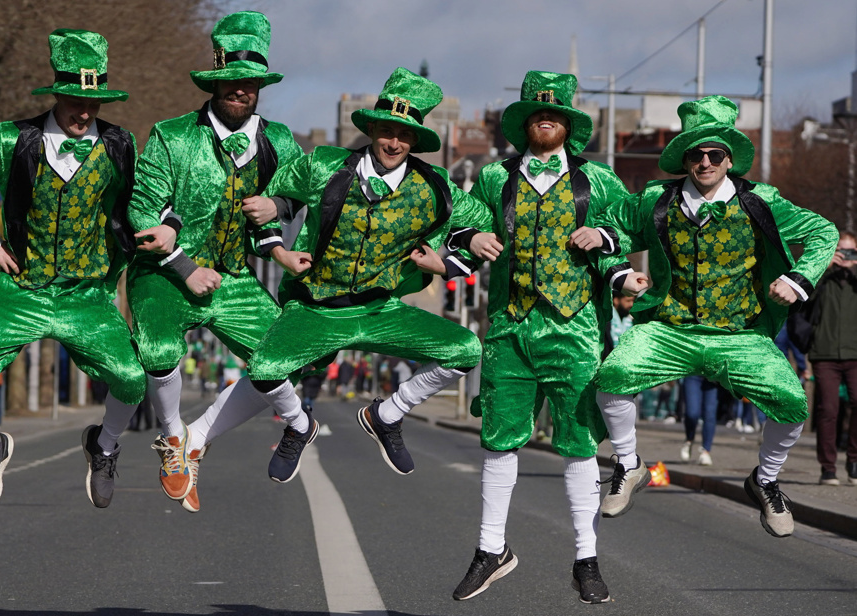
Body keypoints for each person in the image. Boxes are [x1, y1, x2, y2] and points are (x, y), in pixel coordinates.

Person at [593, 95, 838, 537]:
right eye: (695, 154)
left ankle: (764, 481)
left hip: (739, 334)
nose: (704, 162)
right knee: (614, 375)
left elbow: (824, 232)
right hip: (670, 328)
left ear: (728, 160)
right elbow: (610, 227)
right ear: (685, 159)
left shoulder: (759, 202)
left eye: (714, 154)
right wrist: (620, 272)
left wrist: (799, 279)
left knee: (792, 402)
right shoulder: (657, 200)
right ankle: (629, 465)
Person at [245, 67, 496, 483]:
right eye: (385, 130)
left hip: (382, 310)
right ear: (371, 129)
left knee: (467, 349)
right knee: (263, 369)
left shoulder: (433, 186)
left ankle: (388, 414)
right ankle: (297, 425)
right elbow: (277, 196)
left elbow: (481, 225)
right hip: (317, 308)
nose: (393, 142)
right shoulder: (325, 164)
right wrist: (276, 240)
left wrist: (449, 261)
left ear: (414, 140)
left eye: (403, 135)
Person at [0, 29, 145, 513]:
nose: (83, 111)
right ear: (56, 93)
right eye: (75, 99)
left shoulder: (120, 145)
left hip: (86, 295)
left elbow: (141, 204)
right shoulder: (14, 139)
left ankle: (105, 445)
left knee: (132, 378)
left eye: (93, 102)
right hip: (22, 288)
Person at [449, 71, 628, 605]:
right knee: (500, 439)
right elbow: (462, 223)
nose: (545, 120)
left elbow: (627, 235)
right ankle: (490, 549)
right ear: (525, 123)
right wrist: (473, 235)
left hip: (575, 330)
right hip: (508, 326)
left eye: (555, 115)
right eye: (536, 113)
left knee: (577, 445)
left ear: (569, 125)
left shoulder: (599, 181)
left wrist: (608, 248)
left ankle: (586, 558)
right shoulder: (491, 177)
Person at [126, 11, 302, 513]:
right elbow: (143, 211)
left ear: (260, 86)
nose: (239, 90)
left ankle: (197, 438)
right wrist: (184, 265)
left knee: (290, 354)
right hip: (166, 272)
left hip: (236, 278)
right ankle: (171, 440)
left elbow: (293, 195)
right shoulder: (171, 136)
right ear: (215, 82)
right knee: (158, 350)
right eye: (230, 81)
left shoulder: (279, 141)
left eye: (249, 82)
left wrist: (280, 214)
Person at [798, 231, 857, 485]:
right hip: (824, 353)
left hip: (855, 352)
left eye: (851, 252)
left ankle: (853, 460)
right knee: (828, 410)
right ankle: (828, 467)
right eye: (841, 251)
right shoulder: (823, 278)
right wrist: (824, 268)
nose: (845, 256)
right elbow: (803, 301)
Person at [681, 376, 718, 465]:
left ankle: (705, 451)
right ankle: (689, 440)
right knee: (692, 413)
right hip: (693, 372)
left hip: (713, 377)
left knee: (710, 414)